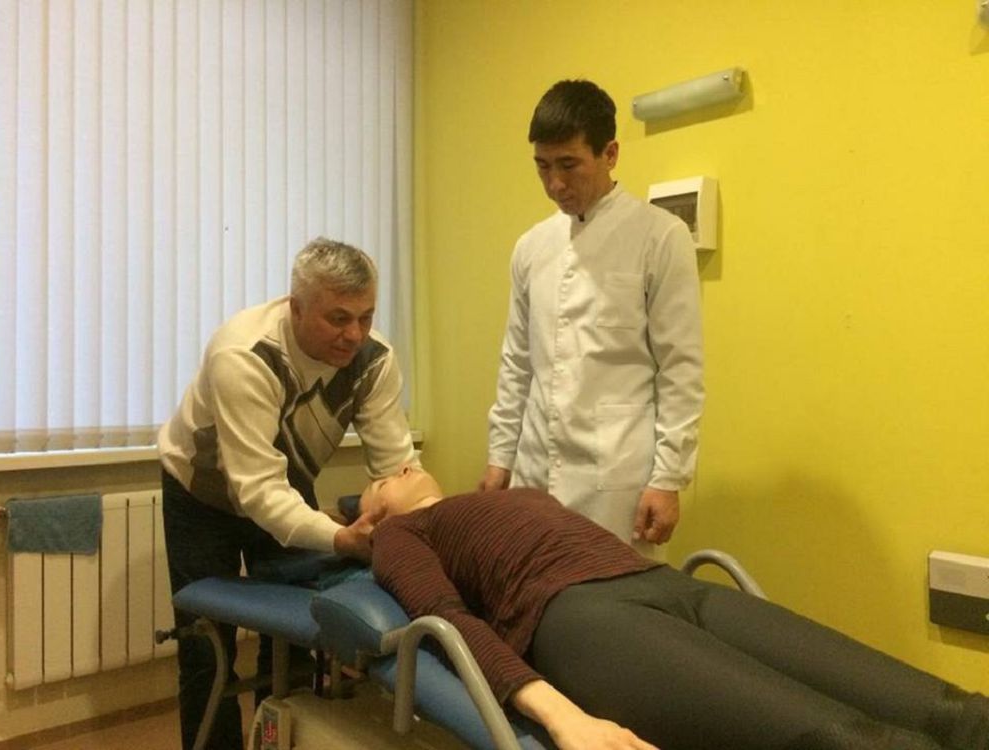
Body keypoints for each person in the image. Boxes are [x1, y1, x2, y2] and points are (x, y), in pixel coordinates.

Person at [363, 466, 989, 750]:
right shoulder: (400, 535)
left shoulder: (504, 492)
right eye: (383, 480)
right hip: (582, 619)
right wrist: (563, 718)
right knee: (850, 741)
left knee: (952, 713)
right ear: (372, 517)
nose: (403, 466)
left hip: (669, 585)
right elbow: (450, 622)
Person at [158, 237, 418, 750]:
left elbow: (395, 463)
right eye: (338, 318)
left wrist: (413, 520)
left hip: (283, 481)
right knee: (207, 649)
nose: (354, 334)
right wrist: (342, 538)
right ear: (296, 307)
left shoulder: (374, 358)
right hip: (201, 492)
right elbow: (257, 491)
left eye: (365, 317)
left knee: (296, 640)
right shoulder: (243, 354)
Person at [481, 79, 703, 547]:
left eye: (569, 165)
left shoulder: (660, 237)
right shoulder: (532, 246)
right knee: (530, 583)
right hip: (533, 467)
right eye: (542, 166)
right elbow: (517, 362)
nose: (555, 184)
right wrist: (501, 456)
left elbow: (680, 369)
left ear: (610, 153)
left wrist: (669, 478)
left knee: (614, 589)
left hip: (618, 480)